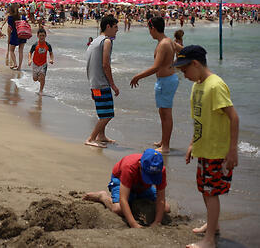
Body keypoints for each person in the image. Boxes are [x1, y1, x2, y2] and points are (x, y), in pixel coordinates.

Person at [173, 45, 239, 248]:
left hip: (217, 151)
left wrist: (232, 150)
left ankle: (209, 240)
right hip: (204, 148)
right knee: (205, 189)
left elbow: (233, 117)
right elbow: (199, 119)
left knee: (211, 193)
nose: (185, 76)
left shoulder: (215, 85)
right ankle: (213, 226)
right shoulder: (197, 86)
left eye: (185, 71)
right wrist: (192, 144)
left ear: (195, 64)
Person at [83, 149, 170, 228]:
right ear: (140, 165)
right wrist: (133, 224)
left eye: (153, 177)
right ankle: (102, 196)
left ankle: (135, 200)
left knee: (166, 208)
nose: (151, 178)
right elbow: (123, 199)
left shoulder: (160, 170)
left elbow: (161, 199)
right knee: (118, 209)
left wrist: (157, 222)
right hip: (120, 180)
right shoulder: (129, 167)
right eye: (148, 175)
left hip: (143, 186)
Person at [130, 17, 179, 154]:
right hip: (168, 80)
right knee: (163, 112)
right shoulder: (168, 41)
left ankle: (166, 146)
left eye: (149, 29)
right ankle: (164, 141)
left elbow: (156, 67)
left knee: (166, 113)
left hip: (166, 81)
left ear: (153, 28)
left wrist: (137, 76)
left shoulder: (163, 44)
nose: (149, 33)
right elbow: (184, 50)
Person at [84, 15, 120, 147]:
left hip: (94, 82)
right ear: (108, 26)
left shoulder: (95, 41)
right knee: (108, 114)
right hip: (100, 84)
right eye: (115, 27)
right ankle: (91, 138)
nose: (117, 30)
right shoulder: (107, 41)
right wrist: (113, 85)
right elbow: (106, 64)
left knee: (102, 111)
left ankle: (101, 136)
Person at [28, 28, 54, 94]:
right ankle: (39, 78)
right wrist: (30, 59)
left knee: (42, 76)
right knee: (35, 79)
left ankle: (41, 91)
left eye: (43, 35)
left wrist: (51, 59)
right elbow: (30, 52)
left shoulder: (48, 45)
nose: (42, 37)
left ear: (45, 36)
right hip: (35, 64)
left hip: (43, 64)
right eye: (40, 35)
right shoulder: (35, 45)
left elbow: (51, 53)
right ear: (37, 36)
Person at [7, 3, 26, 70]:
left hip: (15, 34)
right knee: (21, 51)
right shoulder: (22, 17)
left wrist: (9, 38)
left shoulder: (10, 18)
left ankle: (15, 63)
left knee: (11, 50)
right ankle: (19, 67)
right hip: (23, 34)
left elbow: (9, 29)